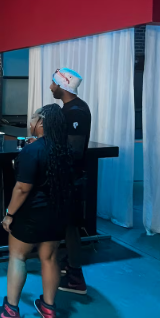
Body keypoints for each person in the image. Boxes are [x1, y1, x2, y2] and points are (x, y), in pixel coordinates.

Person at [0, 104, 74, 318]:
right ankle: (49, 309)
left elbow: (22, 188)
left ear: (42, 122)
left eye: (33, 118)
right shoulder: (65, 149)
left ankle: (10, 312)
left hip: (32, 214)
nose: (31, 122)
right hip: (57, 213)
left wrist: (9, 214)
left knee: (18, 257)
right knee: (50, 258)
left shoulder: (32, 151)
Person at [50, 68, 91, 294]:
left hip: (71, 178)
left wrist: (48, 148)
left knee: (71, 226)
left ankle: (76, 277)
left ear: (63, 85)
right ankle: (68, 263)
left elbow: (73, 150)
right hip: (65, 177)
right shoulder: (69, 109)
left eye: (53, 83)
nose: (51, 87)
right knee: (66, 223)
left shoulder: (76, 112)